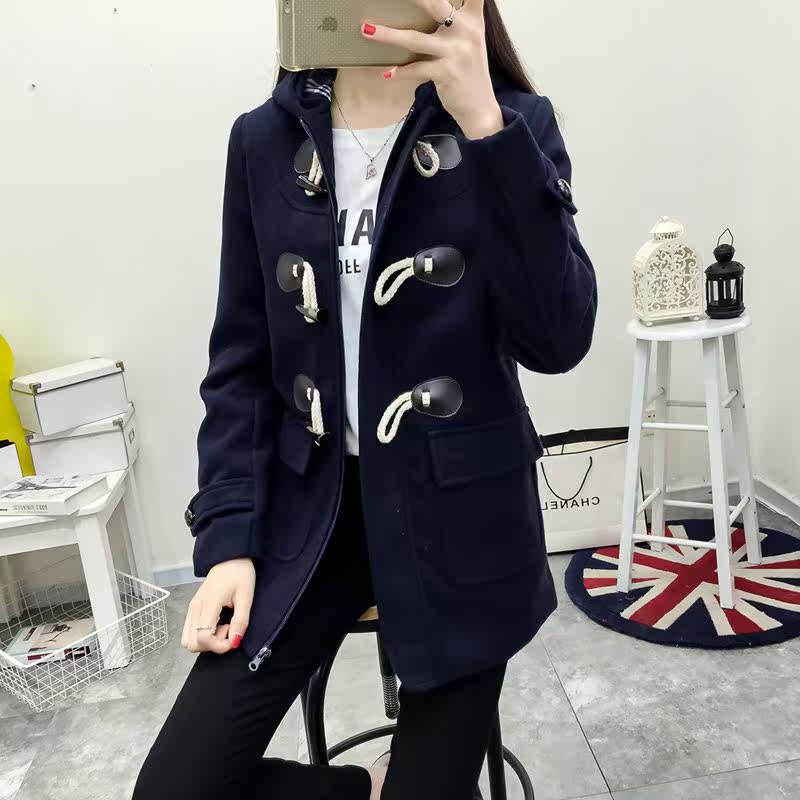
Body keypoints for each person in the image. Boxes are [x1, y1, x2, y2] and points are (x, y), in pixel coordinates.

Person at [133, 0, 597, 797]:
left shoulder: (513, 122)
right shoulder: (264, 142)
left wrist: (485, 126)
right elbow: (241, 363)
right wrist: (230, 540)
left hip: (464, 515)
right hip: (313, 512)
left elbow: (558, 341)